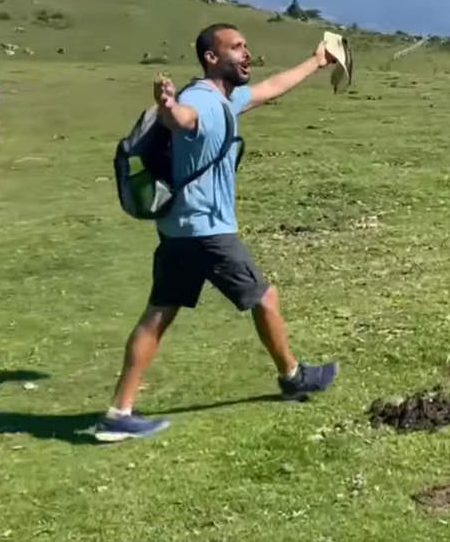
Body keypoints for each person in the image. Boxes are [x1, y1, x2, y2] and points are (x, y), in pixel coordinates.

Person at [93, 23, 341, 442]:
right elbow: (183, 118)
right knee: (264, 297)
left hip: (178, 231)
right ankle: (293, 376)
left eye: (246, 46)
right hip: (208, 231)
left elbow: (271, 88)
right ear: (212, 57)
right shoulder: (200, 103)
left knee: (157, 316)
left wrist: (317, 61)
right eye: (237, 48)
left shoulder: (223, 99)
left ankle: (119, 413)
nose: (247, 53)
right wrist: (168, 107)